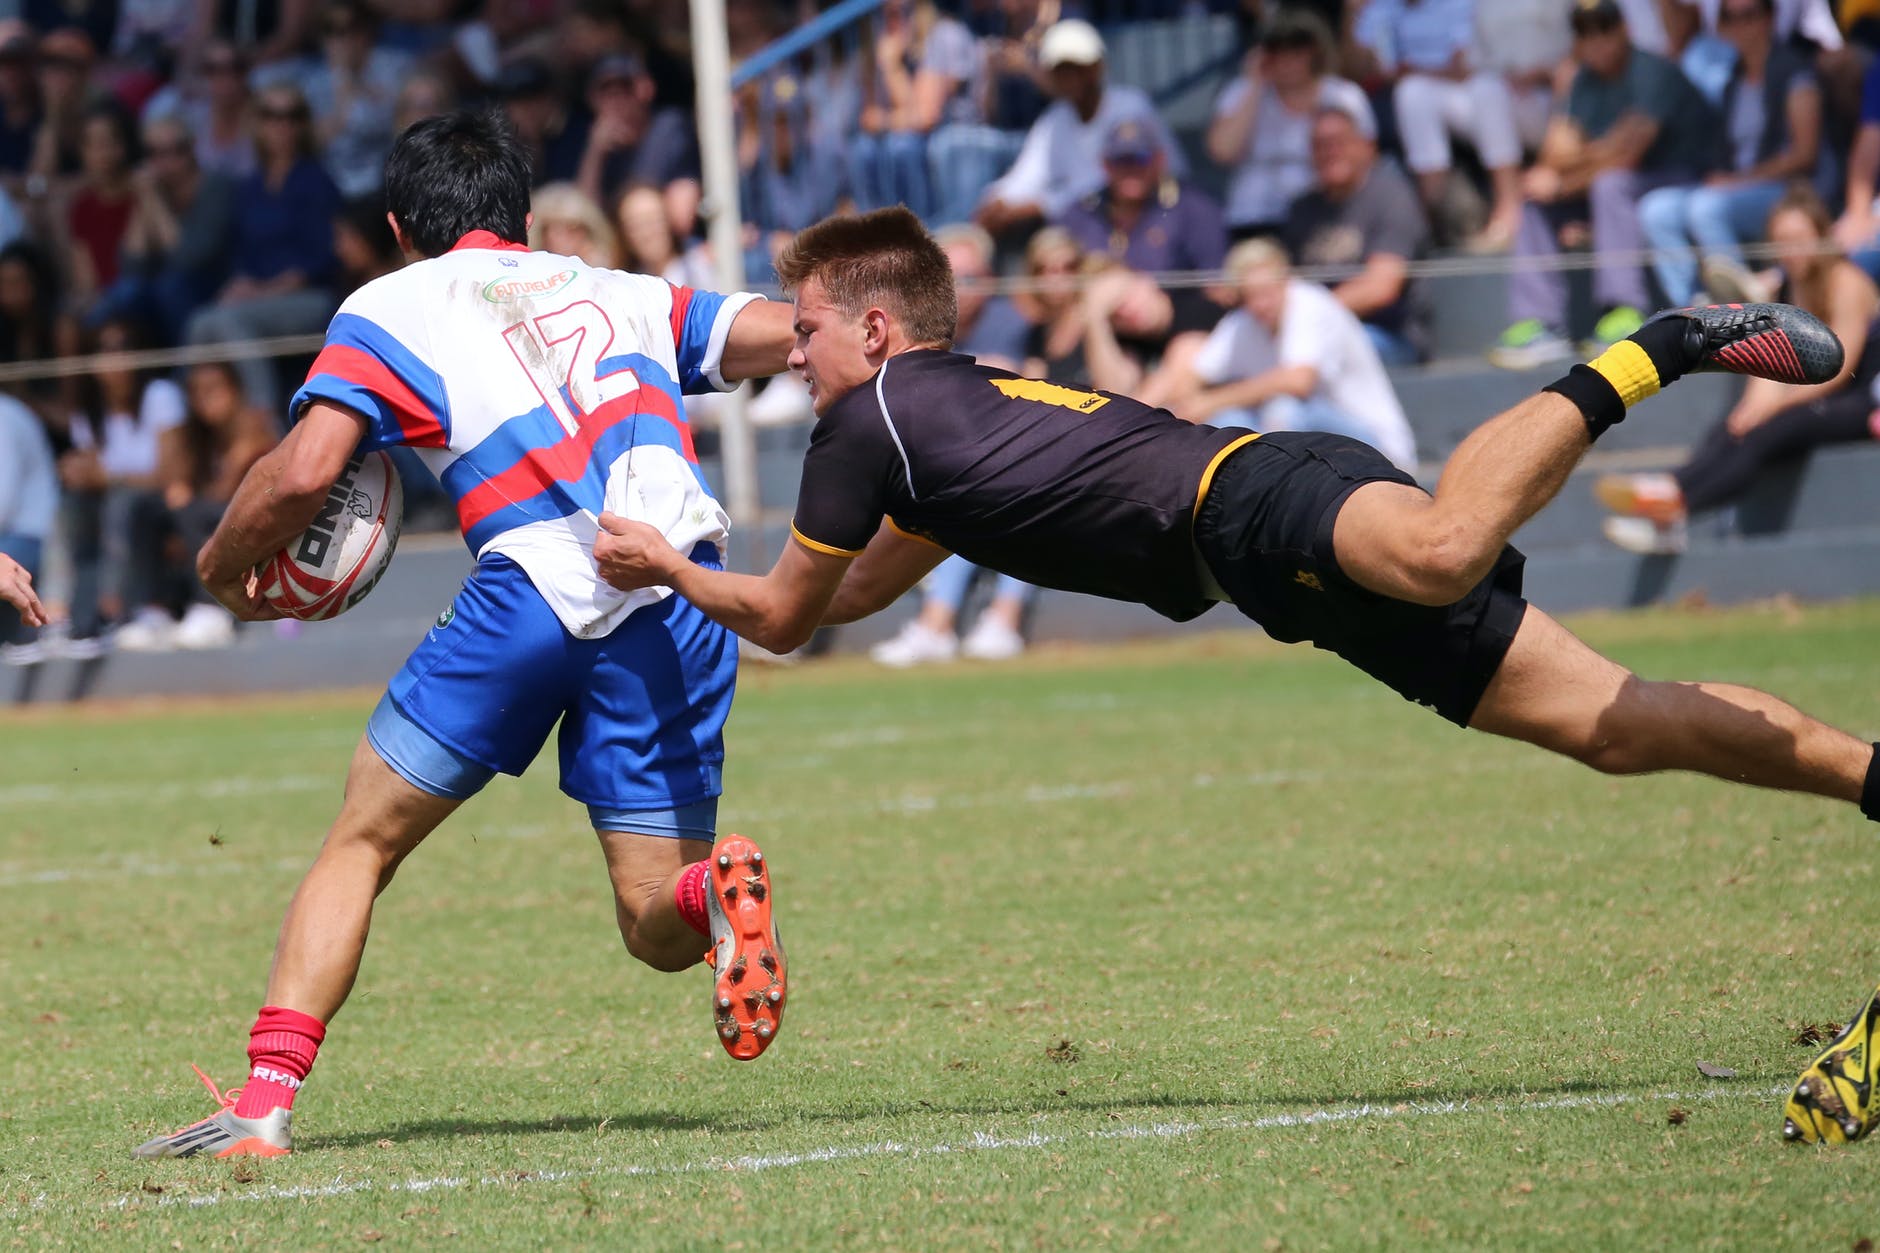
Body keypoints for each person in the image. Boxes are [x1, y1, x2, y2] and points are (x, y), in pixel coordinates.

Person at [590, 208, 1880, 1147]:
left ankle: (1657, 343)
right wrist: (728, 587)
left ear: (872, 328)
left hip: (1254, 493)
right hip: (1266, 568)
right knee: (1610, 727)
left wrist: (663, 562)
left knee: (1438, 549)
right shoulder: (943, 418)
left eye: (803, 329)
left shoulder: (863, 423)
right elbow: (855, 589)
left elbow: (782, 612)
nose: (787, 353)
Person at [131, 108, 797, 1160]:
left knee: (362, 838)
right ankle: (709, 890)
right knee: (650, 923)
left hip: (528, 593)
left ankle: (262, 1104)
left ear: (400, 227)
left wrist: (219, 570)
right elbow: (776, 330)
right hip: (678, 593)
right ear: (526, 218)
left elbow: (304, 472)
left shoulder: (392, 303)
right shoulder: (616, 288)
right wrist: (851, 332)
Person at [1597, 187, 1880, 554]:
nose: (1790, 252)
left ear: (1821, 237)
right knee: (1734, 425)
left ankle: (1675, 500)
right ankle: (1669, 502)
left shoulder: (1848, 281)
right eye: (1781, 243)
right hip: (1813, 395)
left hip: (1859, 399)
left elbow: (1840, 370)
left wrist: (1773, 407)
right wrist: (1753, 408)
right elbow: (1771, 363)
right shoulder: (1787, 285)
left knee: (1773, 428)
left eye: (1798, 240)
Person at [1490, 0, 1720, 370]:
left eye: (1604, 28)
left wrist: (1571, 173)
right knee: (1537, 199)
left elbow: (1628, 154)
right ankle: (1539, 324)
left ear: (1624, 29)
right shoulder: (1582, 81)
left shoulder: (1653, 70)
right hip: (1624, 186)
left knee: (1610, 185)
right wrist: (1588, 154)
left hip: (1684, 177)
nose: (1596, 40)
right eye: (1585, 32)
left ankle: (1624, 309)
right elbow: (1555, 154)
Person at [1142, 239, 1418, 472]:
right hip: (1311, 445)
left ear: (1286, 280)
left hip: (1377, 446)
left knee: (1283, 409)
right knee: (1226, 420)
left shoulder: (1311, 303)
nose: (1262, 304)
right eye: (1252, 295)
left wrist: (1210, 399)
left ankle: (1271, 490)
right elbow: (1195, 373)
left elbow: (1298, 381)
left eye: (1268, 292)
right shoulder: (1242, 322)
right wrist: (1177, 406)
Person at [1637, 0, 1821, 308]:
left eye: (1750, 15)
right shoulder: (1732, 78)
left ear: (1769, 18)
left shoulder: (1795, 72)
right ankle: (1690, 307)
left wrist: (1738, 181)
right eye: (1730, 18)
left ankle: (1735, 308)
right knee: (1656, 210)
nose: (1741, 25)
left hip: (1789, 190)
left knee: (1707, 207)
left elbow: (1805, 154)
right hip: (1736, 188)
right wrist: (1727, 180)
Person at [974, 19, 1183, 242]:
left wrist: (1040, 205)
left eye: (1078, 68)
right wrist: (997, 199)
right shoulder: (1055, 119)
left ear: (1097, 68)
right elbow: (1026, 176)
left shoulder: (1130, 107)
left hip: (1145, 220)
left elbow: (1111, 182)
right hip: (1085, 226)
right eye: (1061, 70)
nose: (1070, 78)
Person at [1352, 0, 1527, 251]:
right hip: (1405, 101)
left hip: (1469, 94)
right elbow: (1358, 66)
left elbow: (1464, 66)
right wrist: (1352, 12)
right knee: (1412, 93)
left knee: (1486, 88)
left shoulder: (1458, 4)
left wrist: (1407, 72)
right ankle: (1434, 213)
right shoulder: (1380, 7)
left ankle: (1509, 206)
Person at [1205, 10, 1375, 242]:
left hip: (1323, 215)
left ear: (1316, 51)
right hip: (1254, 217)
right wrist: (1254, 83)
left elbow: (1366, 156)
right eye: (1277, 50)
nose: (1287, 60)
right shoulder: (1242, 93)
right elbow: (1222, 151)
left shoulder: (1343, 96)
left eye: (1297, 50)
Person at [1283, 103, 1431, 365]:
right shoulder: (1301, 209)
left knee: (1315, 357)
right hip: (1315, 334)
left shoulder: (1392, 197)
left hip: (1387, 334)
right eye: (1320, 144)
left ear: (1367, 147)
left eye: (1339, 142)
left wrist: (1305, 319)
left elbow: (1380, 288)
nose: (1330, 152)